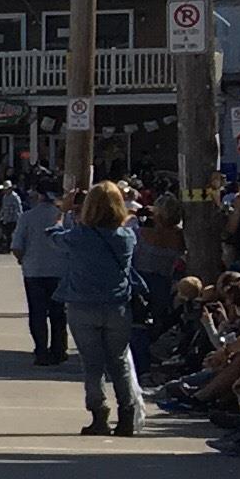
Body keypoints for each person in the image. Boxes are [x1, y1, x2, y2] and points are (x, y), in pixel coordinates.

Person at [60, 179, 145, 437]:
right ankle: (127, 415)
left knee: (93, 364)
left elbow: (55, 238)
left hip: (83, 305)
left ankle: (99, 413)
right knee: (118, 362)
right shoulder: (126, 237)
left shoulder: (79, 236)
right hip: (117, 305)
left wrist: (66, 212)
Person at [10, 167, 70, 366]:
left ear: (39, 195)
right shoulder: (64, 218)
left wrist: (23, 259)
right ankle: (59, 349)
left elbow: (17, 246)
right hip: (59, 271)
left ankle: (41, 351)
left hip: (34, 271)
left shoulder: (27, 217)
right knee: (58, 313)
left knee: (37, 312)